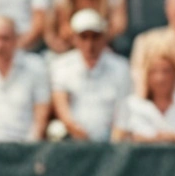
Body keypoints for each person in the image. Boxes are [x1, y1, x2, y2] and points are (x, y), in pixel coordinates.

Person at [50, 8, 133, 142]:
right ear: (74, 39)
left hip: (109, 143)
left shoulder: (121, 67)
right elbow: (63, 110)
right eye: (84, 37)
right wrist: (80, 136)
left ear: (104, 38)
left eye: (95, 37)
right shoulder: (61, 66)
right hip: (73, 143)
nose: (90, 44)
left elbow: (123, 113)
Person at [114, 43, 175, 143]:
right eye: (154, 72)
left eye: (166, 71)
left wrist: (168, 137)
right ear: (147, 75)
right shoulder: (131, 104)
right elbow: (118, 138)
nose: (160, 78)